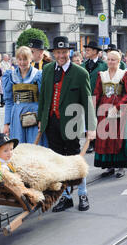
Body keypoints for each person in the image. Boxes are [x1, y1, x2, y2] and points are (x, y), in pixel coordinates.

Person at [37, 36, 97, 212]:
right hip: (51, 123)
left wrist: (91, 127)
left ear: (69, 52)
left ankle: (83, 193)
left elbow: (87, 102)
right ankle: (66, 196)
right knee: (58, 162)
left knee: (75, 161)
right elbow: (44, 98)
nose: (61, 55)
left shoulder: (80, 73)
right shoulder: (47, 70)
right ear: (53, 53)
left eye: (64, 52)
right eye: (58, 52)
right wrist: (41, 119)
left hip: (72, 122)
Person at [93, 50, 127, 178]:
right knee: (105, 137)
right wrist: (94, 108)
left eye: (113, 60)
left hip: (119, 109)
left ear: (119, 61)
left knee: (119, 137)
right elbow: (98, 92)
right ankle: (109, 165)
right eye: (109, 59)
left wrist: (117, 107)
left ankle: (121, 166)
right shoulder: (102, 75)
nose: (110, 62)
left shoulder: (125, 75)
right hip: (104, 109)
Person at [2, 46, 46, 146]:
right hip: (17, 116)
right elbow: (8, 101)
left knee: (35, 146)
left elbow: (43, 100)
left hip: (34, 114)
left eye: (25, 59)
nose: (22, 62)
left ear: (30, 59)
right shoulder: (10, 76)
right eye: (19, 59)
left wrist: (41, 120)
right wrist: (6, 124)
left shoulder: (38, 75)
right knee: (19, 147)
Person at [81, 40, 108, 153]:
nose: (86, 52)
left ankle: (99, 142)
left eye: (88, 50)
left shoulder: (103, 65)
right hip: (86, 96)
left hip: (99, 97)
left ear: (95, 51)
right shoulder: (83, 65)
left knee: (99, 119)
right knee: (88, 119)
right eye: (85, 50)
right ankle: (90, 142)